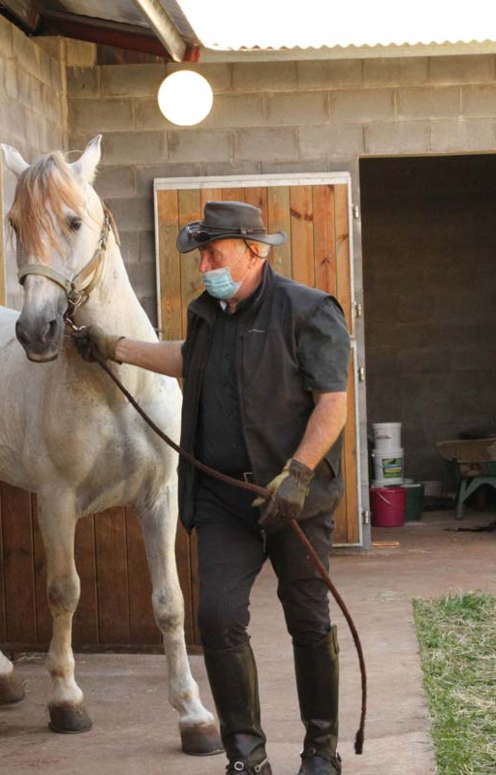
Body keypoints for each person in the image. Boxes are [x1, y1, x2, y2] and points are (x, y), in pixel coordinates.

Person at [78, 201, 350, 775]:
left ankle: (321, 751)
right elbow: (187, 361)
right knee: (218, 618)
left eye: (213, 252)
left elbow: (333, 400)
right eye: (201, 254)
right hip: (227, 500)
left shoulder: (309, 310)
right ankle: (247, 757)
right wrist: (115, 347)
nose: (203, 265)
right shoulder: (210, 315)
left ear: (256, 252)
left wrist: (298, 473)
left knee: (308, 620)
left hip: (296, 499)